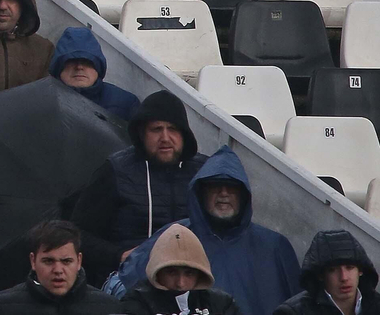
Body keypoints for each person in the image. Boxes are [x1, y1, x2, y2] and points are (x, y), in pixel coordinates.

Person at [111, 147, 298, 315]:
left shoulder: (275, 246)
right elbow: (125, 288)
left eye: (231, 187)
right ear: (201, 192)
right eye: (215, 186)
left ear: (243, 194)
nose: (223, 193)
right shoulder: (175, 235)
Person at [72, 90, 207, 282]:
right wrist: (119, 255)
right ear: (142, 134)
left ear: (185, 134)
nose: (165, 138)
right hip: (132, 279)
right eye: (156, 129)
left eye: (173, 129)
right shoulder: (116, 170)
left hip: (192, 278)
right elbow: (79, 233)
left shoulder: (204, 171)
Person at [0, 221, 121, 315]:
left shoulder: (110, 308)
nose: (58, 270)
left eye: (66, 261)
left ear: (79, 261)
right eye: (48, 261)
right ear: (33, 261)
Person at [121, 224, 242, 315]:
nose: (180, 283)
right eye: (172, 272)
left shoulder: (221, 304)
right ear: (157, 271)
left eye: (189, 273)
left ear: (200, 273)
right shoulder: (137, 302)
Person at [272, 230, 380, 315]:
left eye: (350, 267)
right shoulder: (293, 312)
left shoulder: (376, 305)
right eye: (332, 270)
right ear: (320, 275)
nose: (344, 277)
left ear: (360, 270)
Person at [49, 27, 139, 122]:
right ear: (59, 67)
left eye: (87, 62)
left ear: (98, 68)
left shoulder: (125, 103)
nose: (79, 67)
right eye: (72, 61)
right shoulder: (40, 99)